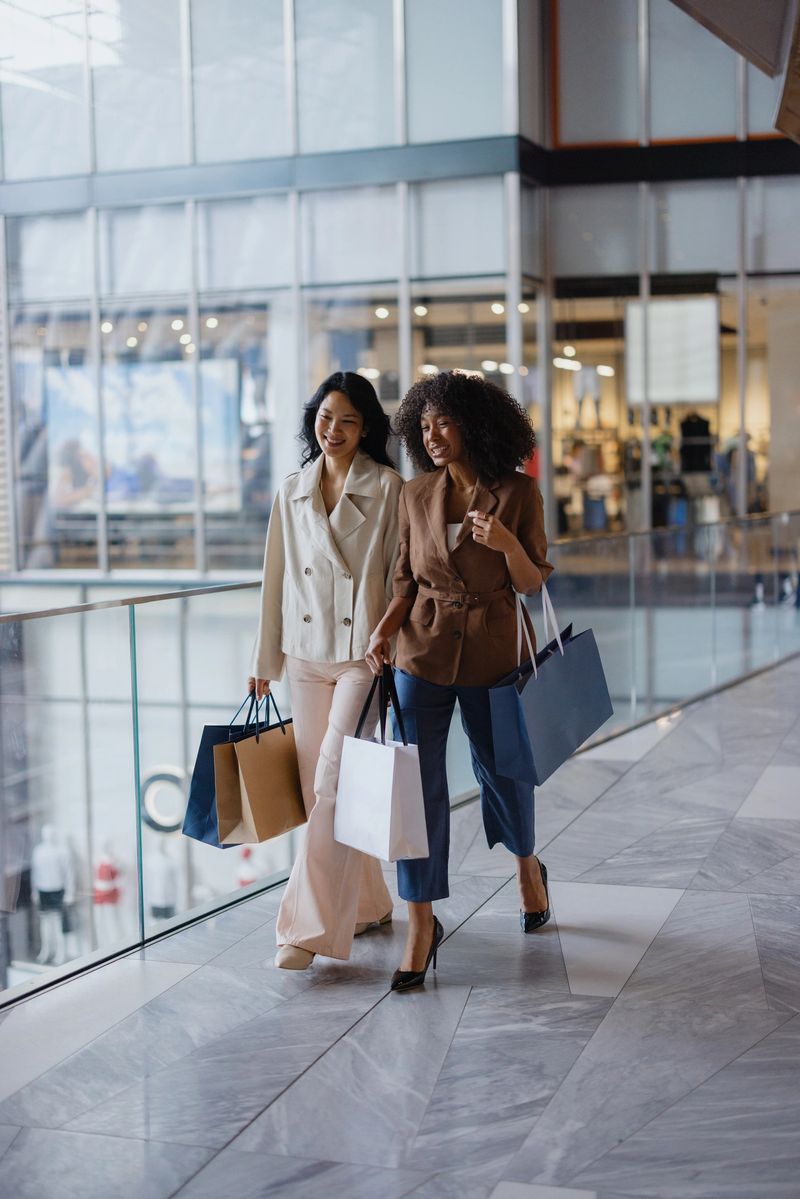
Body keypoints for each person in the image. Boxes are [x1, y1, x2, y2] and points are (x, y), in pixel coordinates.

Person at [366, 371, 554, 991]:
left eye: (444, 422)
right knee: (415, 791)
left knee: (504, 771)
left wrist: (503, 543)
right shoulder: (416, 494)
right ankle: (420, 922)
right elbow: (403, 581)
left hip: (494, 653)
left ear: (474, 424)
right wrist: (384, 629)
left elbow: (532, 582)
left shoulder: (520, 494)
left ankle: (528, 868)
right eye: (423, 426)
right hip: (420, 655)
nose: (433, 435)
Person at [249, 371, 403, 970]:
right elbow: (275, 582)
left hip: (364, 655)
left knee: (330, 786)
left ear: (367, 428)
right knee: (323, 792)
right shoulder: (291, 491)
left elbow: (398, 575)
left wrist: (389, 637)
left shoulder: (388, 488)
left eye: (348, 420)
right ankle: (366, 901)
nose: (333, 430)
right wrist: (265, 662)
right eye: (325, 417)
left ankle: (304, 930)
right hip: (304, 657)